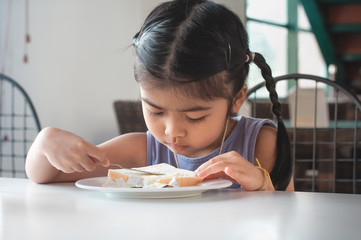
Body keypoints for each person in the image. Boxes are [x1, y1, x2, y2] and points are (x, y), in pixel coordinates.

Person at [26, 0, 294, 191]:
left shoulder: (261, 144)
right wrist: (44, 144)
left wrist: (261, 185)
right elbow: (47, 176)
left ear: (236, 98)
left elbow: (290, 216)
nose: (172, 132)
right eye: (155, 111)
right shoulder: (141, 151)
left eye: (195, 116)